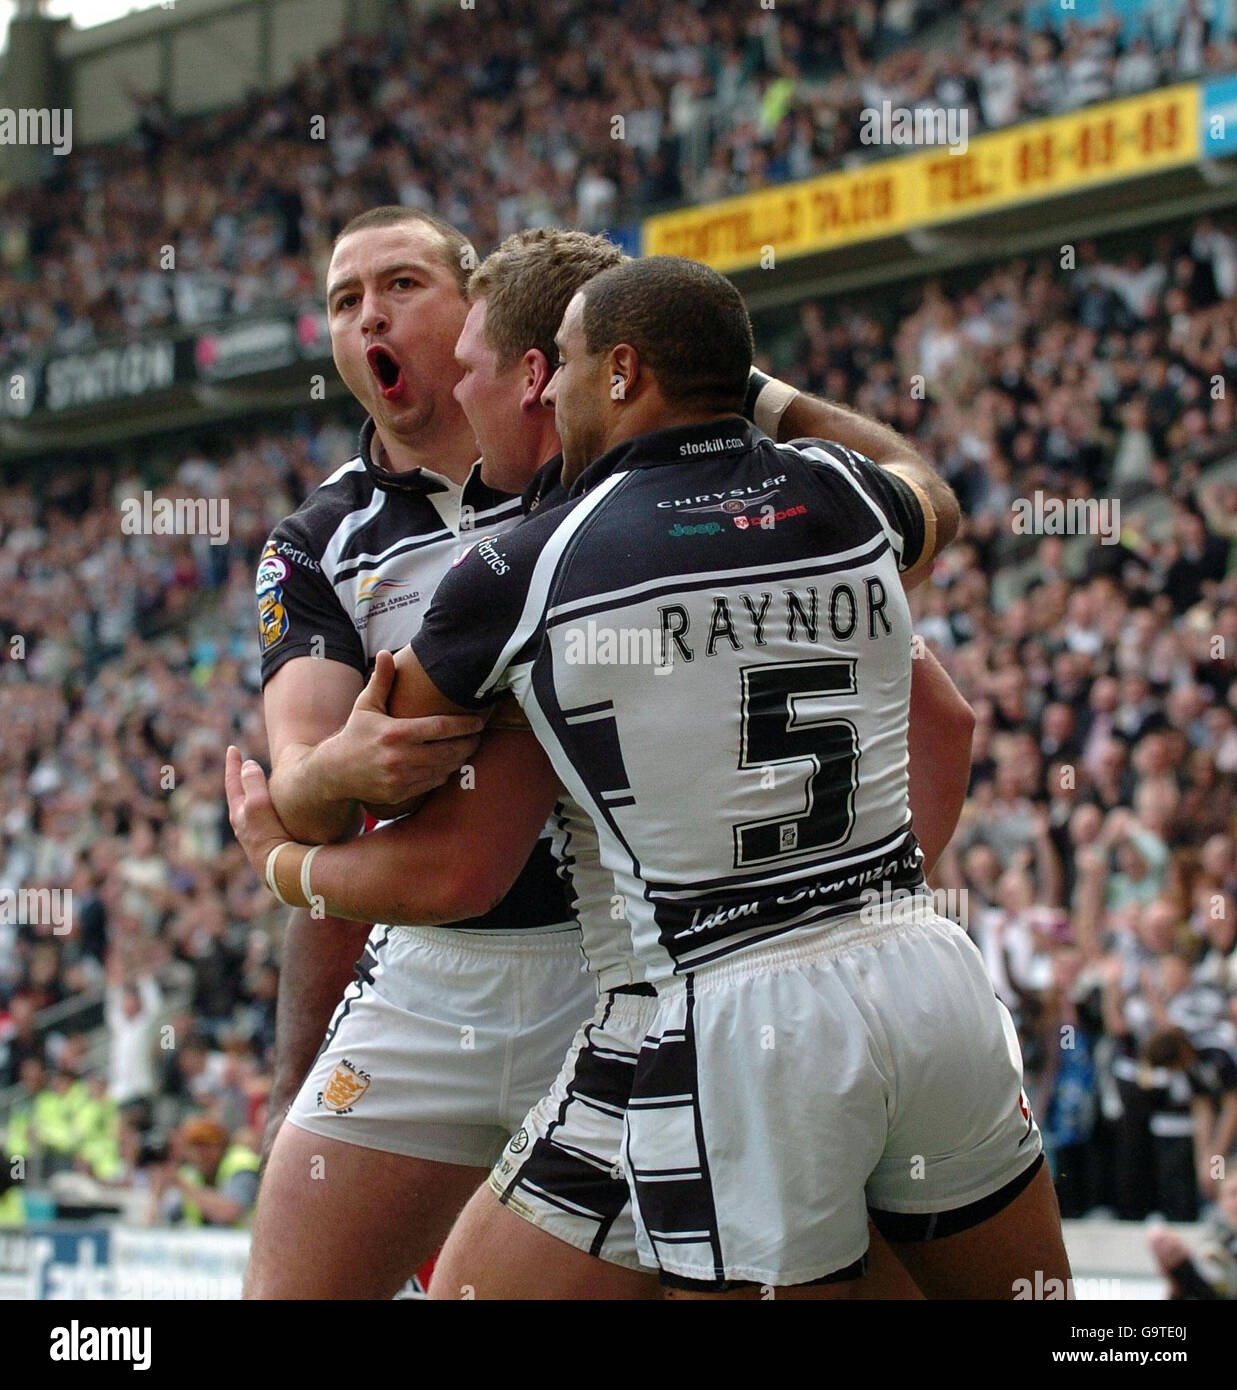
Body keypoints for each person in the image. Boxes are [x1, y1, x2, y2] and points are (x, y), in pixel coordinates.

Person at [234, 255, 1071, 1297]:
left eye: (502, 364)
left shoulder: (527, 563)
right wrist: (753, 387)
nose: (477, 387)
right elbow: (937, 603)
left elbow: (424, 843)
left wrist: (284, 847)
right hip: (915, 960)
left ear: (610, 372)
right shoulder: (834, 490)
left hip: (714, 1006)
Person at [244, 207, 596, 1300]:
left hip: (610, 962)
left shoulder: (582, 477)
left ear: (475, 307)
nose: (368, 315)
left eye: (399, 284)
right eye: (345, 302)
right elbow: (297, 788)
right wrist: (339, 772)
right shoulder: (318, 542)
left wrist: (286, 851)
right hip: (431, 972)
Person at [151, 1116, 259, 1227]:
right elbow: (160, 1220)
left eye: (207, 1145)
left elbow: (231, 1212)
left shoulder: (240, 1163)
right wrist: (157, 1195)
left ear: (222, 1145)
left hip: (245, 1242)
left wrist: (181, 1184)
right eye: (195, 1146)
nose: (201, 1153)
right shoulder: (191, 1174)